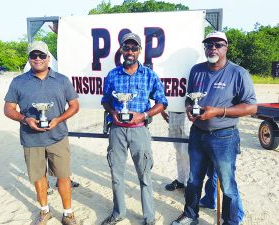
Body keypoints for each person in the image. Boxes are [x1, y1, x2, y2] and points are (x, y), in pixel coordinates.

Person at [171, 31, 257, 225]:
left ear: (226, 47)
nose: (213, 48)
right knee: (193, 180)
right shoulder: (196, 70)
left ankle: (231, 221)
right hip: (197, 133)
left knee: (227, 184)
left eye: (218, 44)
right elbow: (189, 98)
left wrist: (218, 111)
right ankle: (190, 214)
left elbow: (251, 107)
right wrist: (188, 109)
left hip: (224, 136)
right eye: (209, 44)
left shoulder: (238, 73)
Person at [4, 41, 80, 225]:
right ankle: (45, 211)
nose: (38, 59)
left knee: (63, 176)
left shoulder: (62, 80)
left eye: (41, 55)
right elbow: (8, 109)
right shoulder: (18, 82)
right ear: (29, 58)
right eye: (33, 56)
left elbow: (74, 105)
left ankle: (68, 213)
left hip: (58, 137)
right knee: (38, 177)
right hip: (31, 139)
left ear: (48, 58)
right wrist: (25, 119)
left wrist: (58, 119)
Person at [101, 32, 168, 225]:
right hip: (117, 130)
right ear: (121, 50)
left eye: (134, 48)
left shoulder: (149, 75)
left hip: (140, 130)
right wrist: (113, 112)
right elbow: (105, 100)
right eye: (126, 48)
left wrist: (144, 115)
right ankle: (118, 212)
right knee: (116, 174)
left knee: (145, 174)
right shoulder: (113, 74)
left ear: (140, 51)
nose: (130, 51)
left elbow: (162, 102)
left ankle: (149, 218)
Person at [161, 111, 190, 190]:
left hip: (187, 114)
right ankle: (181, 180)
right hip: (173, 113)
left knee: (186, 153)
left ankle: (188, 184)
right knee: (178, 152)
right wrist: (162, 112)